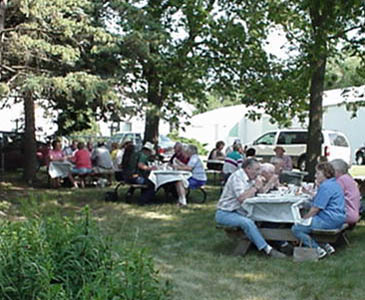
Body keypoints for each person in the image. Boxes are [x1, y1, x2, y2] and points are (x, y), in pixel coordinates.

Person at [216, 158, 286, 258]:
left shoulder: (252, 177)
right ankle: (268, 250)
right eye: (257, 169)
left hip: (242, 211)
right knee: (247, 223)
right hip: (226, 212)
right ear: (248, 168)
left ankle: (282, 243)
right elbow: (241, 198)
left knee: (268, 217)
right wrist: (255, 187)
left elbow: (261, 193)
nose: (259, 172)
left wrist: (264, 184)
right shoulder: (237, 177)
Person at [291, 162, 346, 259]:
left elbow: (315, 209)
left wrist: (304, 219)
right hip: (339, 218)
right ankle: (325, 245)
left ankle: (318, 249)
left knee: (297, 228)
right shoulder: (334, 183)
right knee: (308, 222)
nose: (315, 176)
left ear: (326, 174)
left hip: (329, 220)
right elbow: (318, 201)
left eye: (318, 174)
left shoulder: (325, 187)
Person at [330, 159, 361, 225]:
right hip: (353, 214)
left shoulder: (341, 180)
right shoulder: (348, 178)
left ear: (336, 171)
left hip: (347, 215)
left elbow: (330, 196)